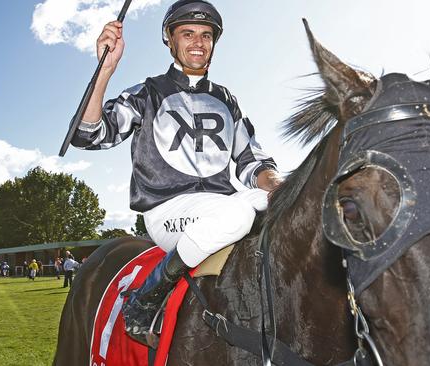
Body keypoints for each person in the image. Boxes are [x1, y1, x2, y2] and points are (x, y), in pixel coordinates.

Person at [71, 0, 282, 345]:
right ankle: (145, 298)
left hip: (221, 207)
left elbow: (252, 162)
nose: (198, 42)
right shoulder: (147, 92)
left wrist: (281, 189)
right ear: (169, 40)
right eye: (187, 34)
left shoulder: (227, 99)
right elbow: (89, 134)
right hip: (169, 212)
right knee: (241, 213)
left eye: (206, 35)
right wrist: (105, 70)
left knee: (276, 204)